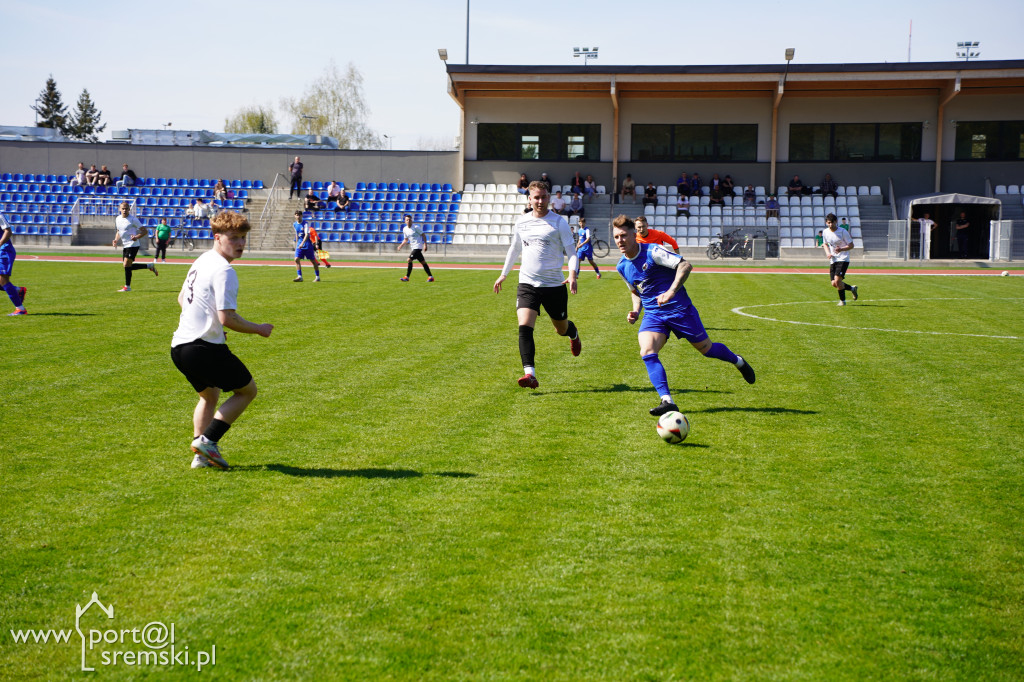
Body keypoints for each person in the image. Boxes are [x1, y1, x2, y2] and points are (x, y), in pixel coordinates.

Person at [612, 215, 755, 417]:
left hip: (679, 310)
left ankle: (737, 361)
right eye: (616, 237)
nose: (620, 241)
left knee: (707, 349)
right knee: (647, 351)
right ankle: (667, 401)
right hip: (654, 314)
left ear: (634, 235)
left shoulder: (653, 251)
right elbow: (636, 291)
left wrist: (671, 291)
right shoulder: (621, 266)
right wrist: (636, 310)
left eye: (623, 235)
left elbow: (685, 265)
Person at [171, 210, 274, 470]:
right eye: (234, 238)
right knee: (247, 391)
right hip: (203, 348)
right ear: (217, 237)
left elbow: (182, 299)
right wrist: (259, 328)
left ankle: (200, 456)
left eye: (243, 238)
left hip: (179, 347)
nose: (240, 244)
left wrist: (207, 324)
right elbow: (228, 318)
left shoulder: (202, 259)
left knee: (209, 396)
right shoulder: (225, 270)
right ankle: (209, 441)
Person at [493, 181, 581, 389]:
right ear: (529, 199)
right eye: (536, 197)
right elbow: (514, 249)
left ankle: (573, 333)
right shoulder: (522, 222)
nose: (540, 201)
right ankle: (529, 374)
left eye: (543, 197)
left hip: (554, 285)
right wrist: (504, 274)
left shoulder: (559, 222)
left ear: (548, 198)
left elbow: (572, 252)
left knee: (561, 329)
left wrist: (573, 274)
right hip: (527, 283)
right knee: (524, 326)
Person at [112, 202, 157, 291]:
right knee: (127, 266)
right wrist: (116, 240)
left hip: (133, 244)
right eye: (123, 208)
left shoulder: (133, 220)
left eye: (126, 208)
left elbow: (144, 231)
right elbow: (119, 231)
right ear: (120, 209)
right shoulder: (117, 219)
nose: (124, 210)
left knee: (126, 264)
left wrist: (136, 237)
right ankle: (149, 266)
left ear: (129, 209)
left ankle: (127, 287)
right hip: (125, 245)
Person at [821, 212, 858, 306]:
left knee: (837, 281)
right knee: (834, 283)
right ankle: (852, 289)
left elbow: (851, 245)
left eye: (832, 222)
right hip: (833, 259)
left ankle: (843, 301)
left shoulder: (842, 231)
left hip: (843, 258)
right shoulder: (825, 232)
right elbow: (825, 244)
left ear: (836, 222)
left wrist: (841, 249)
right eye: (828, 223)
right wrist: (828, 253)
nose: (830, 224)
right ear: (826, 223)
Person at [0, 213, 27, 316]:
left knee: (3, 280)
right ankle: (17, 290)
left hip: (4, 250)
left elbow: (8, 231)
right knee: (2, 281)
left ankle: (20, 309)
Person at [397, 214, 434, 282]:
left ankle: (407, 277)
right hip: (413, 247)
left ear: (412, 220)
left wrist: (425, 245)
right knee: (423, 262)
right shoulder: (405, 229)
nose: (408, 221)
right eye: (407, 220)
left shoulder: (416, 227)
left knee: (409, 260)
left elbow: (423, 235)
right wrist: (400, 246)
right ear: (405, 221)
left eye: (409, 219)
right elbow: (406, 239)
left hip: (418, 247)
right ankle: (431, 277)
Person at [291, 210, 321, 282]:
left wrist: (302, 243)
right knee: (296, 259)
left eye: (299, 215)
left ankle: (317, 277)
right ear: (295, 216)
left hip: (307, 245)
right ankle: (300, 276)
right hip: (300, 245)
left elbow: (307, 235)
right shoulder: (294, 224)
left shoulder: (305, 224)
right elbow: (297, 234)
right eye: (296, 215)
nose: (298, 216)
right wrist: (297, 243)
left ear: (301, 216)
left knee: (313, 261)